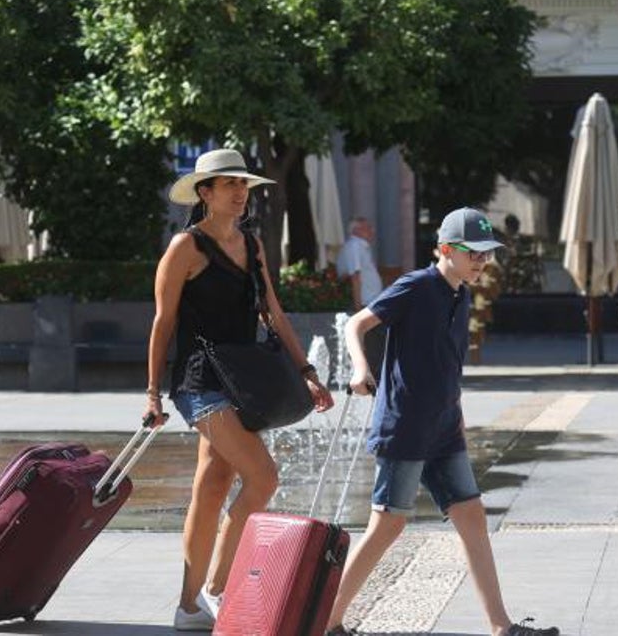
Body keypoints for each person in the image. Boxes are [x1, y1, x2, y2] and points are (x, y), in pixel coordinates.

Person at [325, 207, 559, 636]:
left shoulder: (461, 293)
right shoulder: (416, 286)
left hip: (444, 428)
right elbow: (356, 324)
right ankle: (326, 619)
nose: (483, 262)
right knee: (389, 524)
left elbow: (446, 364)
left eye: (487, 254)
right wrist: (361, 370)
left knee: (471, 516)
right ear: (447, 250)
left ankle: (501, 626)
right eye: (475, 254)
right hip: (406, 426)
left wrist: (457, 411)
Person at [143, 148, 335, 631]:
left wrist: (306, 370)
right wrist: (152, 394)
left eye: (243, 185)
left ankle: (188, 607)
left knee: (212, 488)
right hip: (199, 382)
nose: (239, 193)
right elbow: (162, 324)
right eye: (229, 184)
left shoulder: (251, 244)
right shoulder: (185, 248)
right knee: (263, 477)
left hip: (243, 381)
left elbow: (272, 309)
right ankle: (218, 589)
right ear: (204, 193)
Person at [336, 216, 385, 379]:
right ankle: (374, 376)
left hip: (370, 302)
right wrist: (358, 307)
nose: (372, 231)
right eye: (367, 228)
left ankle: (376, 375)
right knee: (373, 342)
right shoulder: (355, 246)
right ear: (356, 230)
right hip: (365, 303)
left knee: (376, 341)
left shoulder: (360, 247)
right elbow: (354, 276)